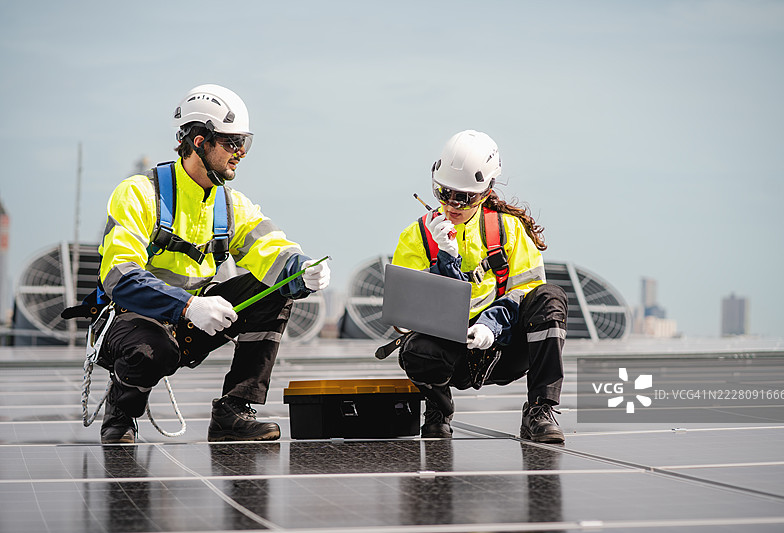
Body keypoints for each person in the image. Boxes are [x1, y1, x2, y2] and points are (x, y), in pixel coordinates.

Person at [70, 84, 330, 444]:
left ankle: (234, 410)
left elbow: (271, 247)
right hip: (133, 321)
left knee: (277, 288)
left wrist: (302, 268)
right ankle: (122, 407)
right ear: (198, 140)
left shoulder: (231, 205)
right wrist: (188, 306)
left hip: (194, 320)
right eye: (231, 142)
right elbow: (120, 276)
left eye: (244, 143)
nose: (240, 152)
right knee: (153, 351)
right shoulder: (139, 194)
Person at [390, 130, 568, 443]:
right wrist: (445, 259)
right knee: (416, 350)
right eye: (444, 193)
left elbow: (527, 292)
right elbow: (409, 315)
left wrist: (491, 326)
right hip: (451, 353)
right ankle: (437, 410)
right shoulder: (416, 237)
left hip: (505, 348)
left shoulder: (508, 230)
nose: (452, 204)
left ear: (485, 191)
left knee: (550, 298)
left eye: (464, 197)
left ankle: (540, 410)